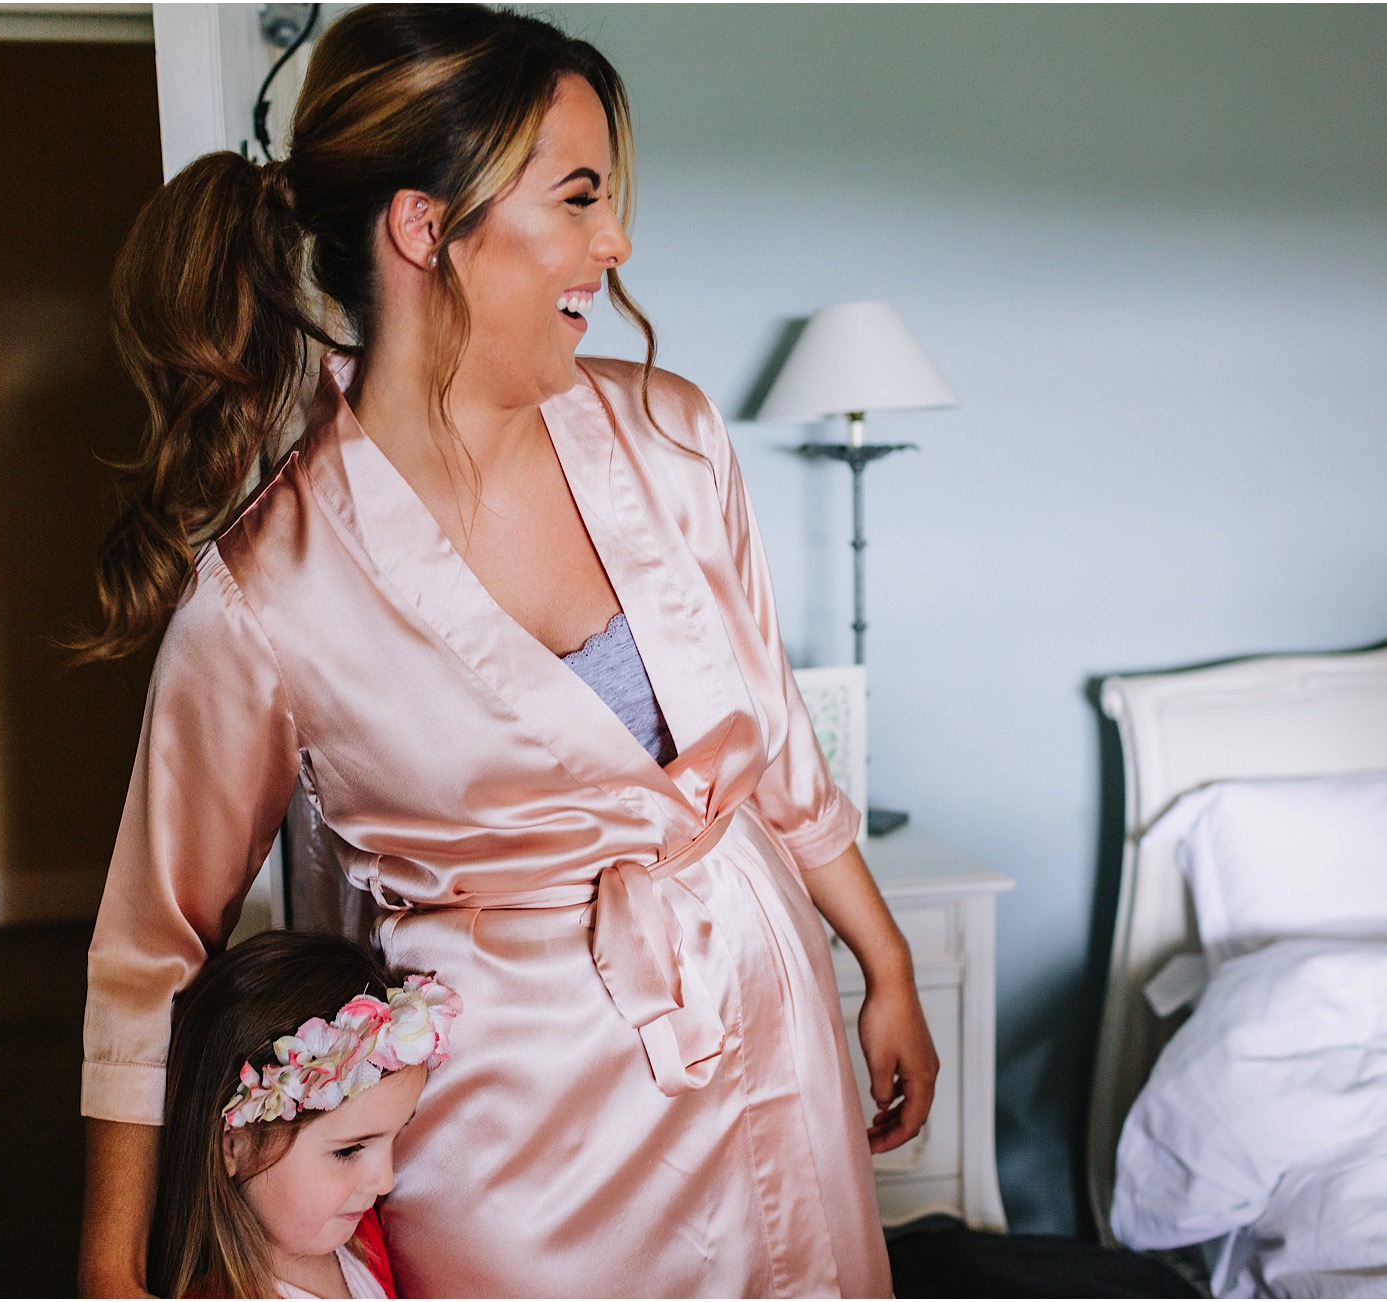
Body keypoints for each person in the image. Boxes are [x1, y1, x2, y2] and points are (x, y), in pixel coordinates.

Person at [78, 6, 939, 1296]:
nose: (618, 242)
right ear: (427, 227)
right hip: (510, 1130)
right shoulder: (270, 595)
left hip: (763, 1029)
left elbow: (775, 748)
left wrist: (886, 959)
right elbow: (150, 953)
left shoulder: (674, 439)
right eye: (580, 197)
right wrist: (109, 1269)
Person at [149, 930, 458, 1298]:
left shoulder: (361, 1242)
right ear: (233, 1146)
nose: (385, 1181)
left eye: (397, 1134)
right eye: (348, 1150)